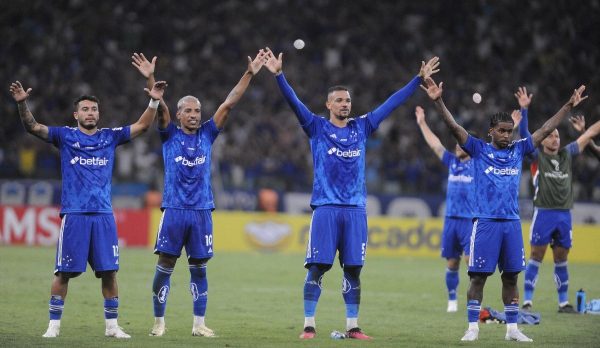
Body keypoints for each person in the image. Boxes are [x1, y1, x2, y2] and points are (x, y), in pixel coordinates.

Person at [264, 47, 440, 340]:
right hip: (326, 208)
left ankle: (352, 326)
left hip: (355, 210)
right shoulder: (316, 127)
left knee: (354, 271)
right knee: (318, 267)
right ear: (328, 104)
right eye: (340, 100)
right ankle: (309, 325)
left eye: (348, 100)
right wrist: (280, 76)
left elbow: (391, 103)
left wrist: (416, 79)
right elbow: (294, 103)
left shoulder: (362, 126)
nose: (345, 104)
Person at [421, 77, 587, 342]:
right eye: (501, 131)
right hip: (485, 223)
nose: (507, 135)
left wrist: (568, 105)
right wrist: (438, 101)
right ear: (491, 131)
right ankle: (472, 327)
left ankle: (512, 329)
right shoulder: (477, 149)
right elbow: (454, 127)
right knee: (478, 278)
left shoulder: (519, 149)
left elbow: (545, 129)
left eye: (509, 131)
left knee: (511, 278)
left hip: (511, 223)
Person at [9, 78, 168, 338]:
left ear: (99, 113)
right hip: (75, 215)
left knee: (109, 272)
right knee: (63, 273)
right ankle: (53, 326)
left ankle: (112, 327)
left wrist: (153, 100)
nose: (90, 113)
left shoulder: (109, 137)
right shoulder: (65, 136)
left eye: (93, 109)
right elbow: (33, 127)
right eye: (85, 109)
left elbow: (142, 126)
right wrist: (22, 104)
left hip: (104, 215)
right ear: (76, 114)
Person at [131, 50, 267, 337]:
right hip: (175, 210)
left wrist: (250, 73)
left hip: (202, 210)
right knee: (165, 264)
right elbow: (161, 108)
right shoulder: (169, 134)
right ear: (180, 115)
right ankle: (159, 322)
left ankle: (199, 324)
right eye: (189, 111)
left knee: (199, 268)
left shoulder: (207, 134)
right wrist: (152, 81)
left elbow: (229, 103)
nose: (194, 115)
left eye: (197, 111)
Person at [513, 86, 600, 313]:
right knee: (536, 257)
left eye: (558, 135)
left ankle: (563, 303)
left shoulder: (567, 154)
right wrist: (524, 110)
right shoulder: (536, 157)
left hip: (564, 213)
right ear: (542, 141)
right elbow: (525, 138)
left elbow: (589, 135)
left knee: (561, 258)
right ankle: (528, 301)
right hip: (544, 212)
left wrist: (589, 128)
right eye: (551, 135)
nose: (555, 138)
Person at [414, 106, 474, 313]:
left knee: (471, 262)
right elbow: (435, 145)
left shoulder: (477, 164)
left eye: (462, 143)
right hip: (451, 220)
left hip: (469, 220)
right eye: (457, 143)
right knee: (452, 263)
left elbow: (498, 151)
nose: (458, 145)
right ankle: (452, 300)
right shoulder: (452, 162)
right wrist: (422, 123)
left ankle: (474, 299)